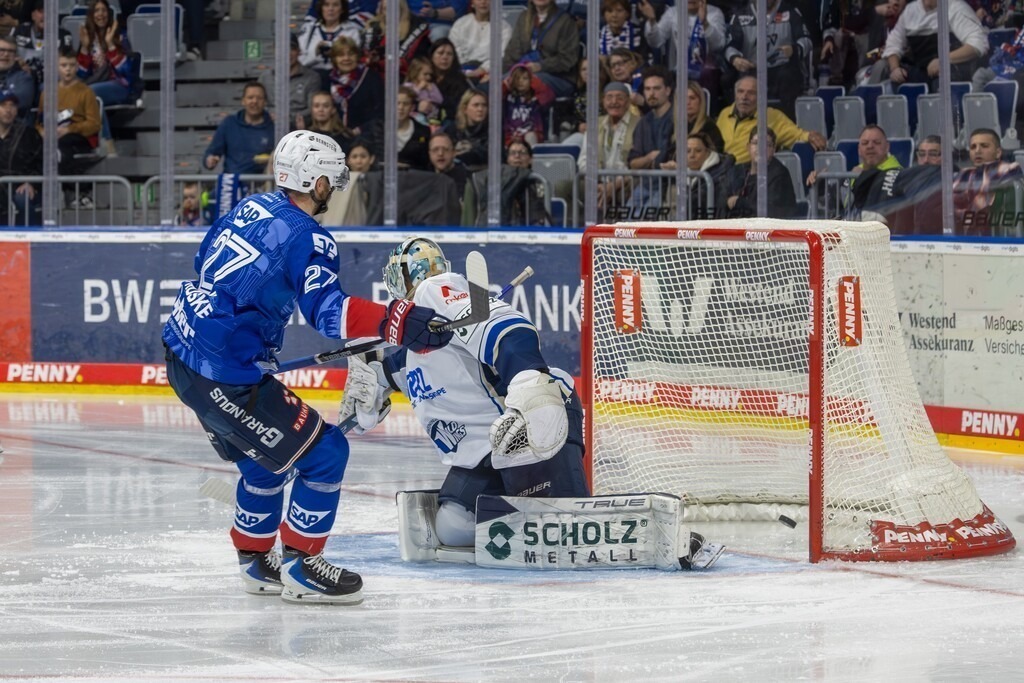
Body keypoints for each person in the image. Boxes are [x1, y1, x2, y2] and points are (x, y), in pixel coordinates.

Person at [163, 130, 453, 604]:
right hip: (223, 370)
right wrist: (400, 320)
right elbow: (329, 312)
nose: (333, 188)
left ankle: (255, 560)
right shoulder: (312, 237)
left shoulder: (248, 207)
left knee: (266, 467)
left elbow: (205, 263)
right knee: (326, 453)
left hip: (180, 351)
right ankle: (301, 565)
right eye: (330, 178)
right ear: (313, 178)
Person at [340, 237, 588, 557]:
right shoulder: (421, 345)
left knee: (561, 530)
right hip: (489, 450)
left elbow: (509, 328)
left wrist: (529, 381)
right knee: (453, 527)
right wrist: (369, 388)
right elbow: (388, 376)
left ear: (404, 277)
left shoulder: (436, 289)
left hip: (530, 422)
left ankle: (560, 510)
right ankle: (527, 514)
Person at [724, 0, 812, 118]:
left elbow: (806, 40)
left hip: (782, 67)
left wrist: (794, 49)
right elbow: (730, 46)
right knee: (727, 80)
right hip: (752, 68)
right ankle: (741, 122)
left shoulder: (791, 12)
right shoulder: (741, 15)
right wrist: (735, 59)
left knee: (789, 78)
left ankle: (787, 122)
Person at [38, 48, 101, 207]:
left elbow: (94, 124)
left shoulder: (86, 92)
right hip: (52, 135)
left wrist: (69, 129)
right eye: (64, 65)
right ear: (56, 67)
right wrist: (42, 131)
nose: (68, 69)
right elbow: (38, 121)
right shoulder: (47, 93)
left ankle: (78, 192)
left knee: (60, 147)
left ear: (77, 67)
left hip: (79, 137)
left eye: (72, 65)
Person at [877, 0, 987, 90]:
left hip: (951, 70)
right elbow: (894, 43)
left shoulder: (956, 7)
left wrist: (944, 60)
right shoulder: (910, 11)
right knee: (890, 75)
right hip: (920, 69)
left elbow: (978, 44)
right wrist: (895, 68)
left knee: (943, 82)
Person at [717, 75, 826, 164]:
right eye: (740, 91)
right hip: (722, 170)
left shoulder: (771, 116)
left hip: (749, 173)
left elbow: (796, 134)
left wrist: (810, 136)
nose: (744, 97)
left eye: (751, 93)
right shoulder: (724, 113)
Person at [639, 0, 726, 109]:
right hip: (680, 71)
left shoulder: (714, 13)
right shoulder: (673, 13)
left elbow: (718, 45)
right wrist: (652, 21)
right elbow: (656, 42)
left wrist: (705, 23)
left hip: (707, 70)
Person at [577, 81, 641, 214]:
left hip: (625, 182)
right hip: (597, 181)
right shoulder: (595, 124)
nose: (614, 102)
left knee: (630, 189)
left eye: (620, 97)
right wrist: (598, 183)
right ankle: (575, 229)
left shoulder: (639, 124)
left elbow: (636, 164)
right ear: (603, 101)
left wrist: (614, 185)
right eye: (609, 97)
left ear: (628, 101)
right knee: (565, 187)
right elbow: (584, 159)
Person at [502, 0, 579, 99]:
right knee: (496, 84)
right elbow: (512, 52)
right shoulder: (523, 18)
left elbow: (568, 59)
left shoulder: (565, 21)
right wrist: (499, 74)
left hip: (558, 77)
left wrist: (540, 66)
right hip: (523, 71)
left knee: (526, 81)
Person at [954, 127, 1023, 235]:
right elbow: (951, 205)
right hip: (965, 238)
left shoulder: (1009, 169)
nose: (977, 151)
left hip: (996, 237)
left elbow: (998, 203)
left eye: (984, 146)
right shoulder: (964, 174)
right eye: (973, 147)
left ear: (998, 152)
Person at [626, 65, 675, 208]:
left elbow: (667, 158)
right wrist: (649, 158)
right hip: (645, 185)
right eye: (647, 89)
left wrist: (649, 160)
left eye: (656, 88)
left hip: (667, 187)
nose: (651, 93)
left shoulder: (678, 119)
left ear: (667, 90)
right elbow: (633, 163)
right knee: (625, 225)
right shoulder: (643, 122)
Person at [725, 127, 800, 218]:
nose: (760, 148)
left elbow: (772, 212)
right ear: (748, 147)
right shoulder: (737, 171)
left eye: (767, 144)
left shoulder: (779, 174)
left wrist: (741, 202)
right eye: (756, 143)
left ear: (773, 149)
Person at [203, 82, 275, 174]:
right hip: (231, 184)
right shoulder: (229, 123)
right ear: (243, 101)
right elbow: (212, 152)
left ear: (265, 102)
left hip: (264, 185)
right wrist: (210, 160)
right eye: (250, 97)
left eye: (259, 98)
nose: (254, 101)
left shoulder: (274, 126)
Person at [76, 0, 135, 109]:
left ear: (109, 13)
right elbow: (81, 75)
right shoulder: (87, 37)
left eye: (104, 10)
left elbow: (127, 71)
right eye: (96, 10)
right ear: (91, 15)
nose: (101, 14)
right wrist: (84, 48)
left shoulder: (120, 35)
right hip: (93, 82)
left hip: (119, 84)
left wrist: (111, 45)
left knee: (88, 93)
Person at [296, 0, 372, 80]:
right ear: (321, 8)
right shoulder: (308, 30)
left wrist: (335, 52)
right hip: (311, 79)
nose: (330, 9)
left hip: (343, 80)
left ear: (342, 9)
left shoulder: (352, 32)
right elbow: (299, 62)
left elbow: (355, 61)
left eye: (335, 5)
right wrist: (315, 54)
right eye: (326, 5)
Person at [261, 34, 322, 131]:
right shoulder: (265, 78)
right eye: (282, 49)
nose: (287, 53)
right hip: (269, 129)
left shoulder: (312, 77)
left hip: (301, 130)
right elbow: (259, 106)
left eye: (292, 49)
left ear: (298, 51)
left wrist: (283, 118)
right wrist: (269, 115)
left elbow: (313, 109)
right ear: (275, 51)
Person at [15, 0, 73, 97]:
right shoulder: (20, 30)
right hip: (22, 78)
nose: (46, 15)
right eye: (41, 11)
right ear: (33, 15)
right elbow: (9, 55)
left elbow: (66, 67)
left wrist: (34, 72)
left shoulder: (64, 35)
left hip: (49, 81)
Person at [362, 0, 432, 80]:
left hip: (403, 78)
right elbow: (362, 56)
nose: (389, 12)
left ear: (402, 9)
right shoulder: (373, 28)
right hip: (374, 76)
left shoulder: (416, 29)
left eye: (393, 8)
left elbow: (418, 61)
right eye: (385, 9)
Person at [0, 88, 41, 225]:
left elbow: (41, 162)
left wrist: (31, 182)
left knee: (23, 199)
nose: (8, 110)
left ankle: (32, 238)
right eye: (3, 105)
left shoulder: (28, 134)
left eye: (12, 105)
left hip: (21, 184)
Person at [327, 37, 384, 137]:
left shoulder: (371, 78)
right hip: (333, 137)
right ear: (334, 59)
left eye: (351, 54)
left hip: (365, 137)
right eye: (341, 55)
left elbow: (380, 113)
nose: (346, 58)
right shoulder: (326, 80)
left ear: (357, 56)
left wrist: (358, 131)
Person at [448, 0, 511, 84]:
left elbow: (502, 55)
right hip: (462, 69)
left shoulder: (504, 28)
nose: (483, 2)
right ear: (472, 4)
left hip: (489, 73)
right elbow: (453, 49)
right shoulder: (461, 24)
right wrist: (465, 71)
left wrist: (482, 69)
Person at [683, 131, 733, 218]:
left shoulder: (719, 175)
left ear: (708, 152)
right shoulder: (680, 173)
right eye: (688, 151)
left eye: (698, 151)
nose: (692, 155)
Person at [502, 63, 548, 146]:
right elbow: (494, 96)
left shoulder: (535, 98)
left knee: (530, 136)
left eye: (525, 78)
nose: (520, 81)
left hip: (531, 136)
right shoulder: (507, 97)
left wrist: (533, 79)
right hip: (510, 137)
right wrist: (506, 84)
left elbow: (548, 95)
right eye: (517, 78)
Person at [427, 38, 469, 124]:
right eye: (440, 53)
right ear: (432, 56)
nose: (445, 57)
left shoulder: (460, 80)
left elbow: (460, 106)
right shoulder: (422, 76)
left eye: (449, 54)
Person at [448, 87, 489, 170]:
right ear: (465, 109)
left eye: (484, 105)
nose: (480, 109)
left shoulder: (492, 130)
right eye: (476, 105)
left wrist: (472, 147)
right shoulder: (452, 129)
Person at [396, 85, 432, 170]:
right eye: (397, 103)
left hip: (413, 179)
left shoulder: (423, 131)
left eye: (405, 104)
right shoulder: (378, 128)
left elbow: (424, 163)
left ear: (412, 107)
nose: (401, 108)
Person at [403, 55, 444, 126]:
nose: (428, 77)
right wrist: (419, 88)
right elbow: (408, 98)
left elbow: (440, 100)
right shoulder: (408, 85)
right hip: (415, 114)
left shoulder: (431, 85)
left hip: (432, 115)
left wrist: (431, 90)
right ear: (415, 72)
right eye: (425, 74)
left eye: (430, 74)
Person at [428, 129, 468, 199]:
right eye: (435, 149)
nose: (440, 154)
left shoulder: (466, 179)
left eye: (445, 149)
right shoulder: (424, 177)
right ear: (430, 154)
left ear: (454, 153)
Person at [0, 35, 33, 120]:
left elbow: (17, 103)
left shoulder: (24, 78)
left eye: (11, 51)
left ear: (16, 57)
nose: (6, 54)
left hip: (15, 129)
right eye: (2, 50)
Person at [685, 81, 722, 154]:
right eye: (684, 98)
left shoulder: (709, 127)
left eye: (692, 98)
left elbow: (715, 155)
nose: (687, 102)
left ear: (701, 101)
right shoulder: (673, 125)